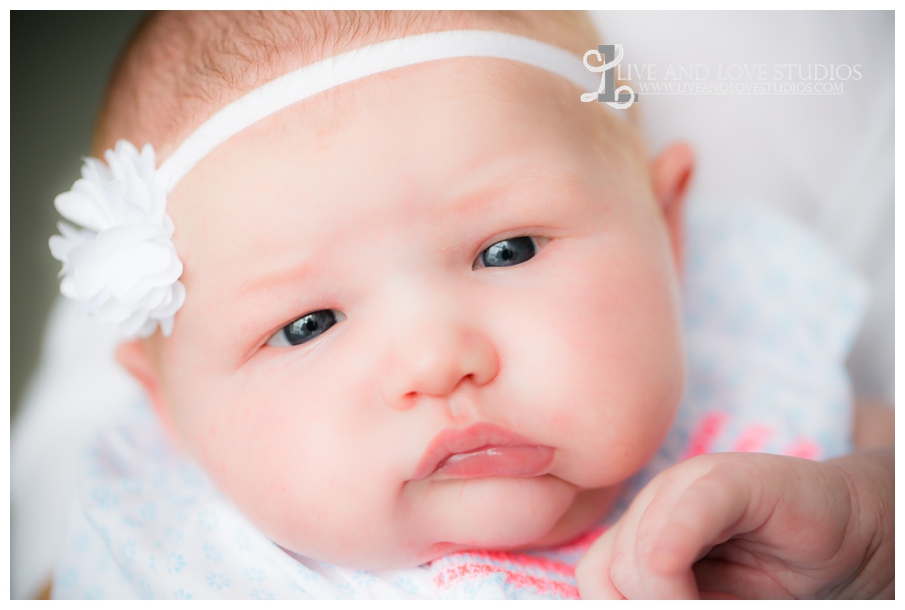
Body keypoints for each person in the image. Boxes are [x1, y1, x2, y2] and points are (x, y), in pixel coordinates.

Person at [47, 11, 892, 599]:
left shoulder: (767, 413)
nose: (437, 359)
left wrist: (872, 537)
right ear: (171, 412)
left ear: (664, 234)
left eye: (508, 250)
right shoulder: (154, 553)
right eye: (307, 325)